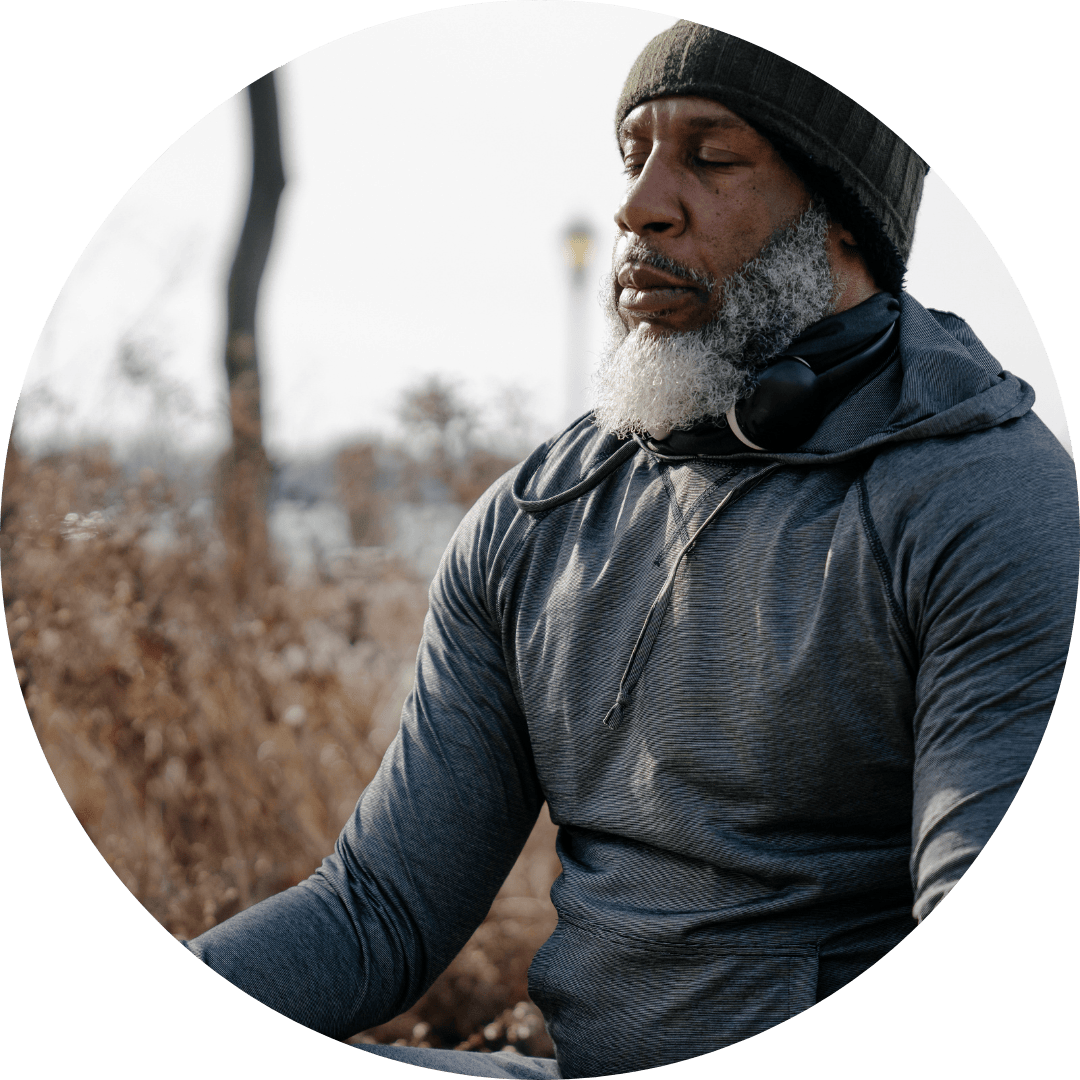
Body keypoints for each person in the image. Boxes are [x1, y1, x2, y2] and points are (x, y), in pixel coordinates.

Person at [184, 21, 1078, 1079]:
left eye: (710, 158)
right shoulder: (535, 516)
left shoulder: (985, 498)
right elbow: (378, 911)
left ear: (841, 214)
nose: (640, 205)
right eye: (634, 154)